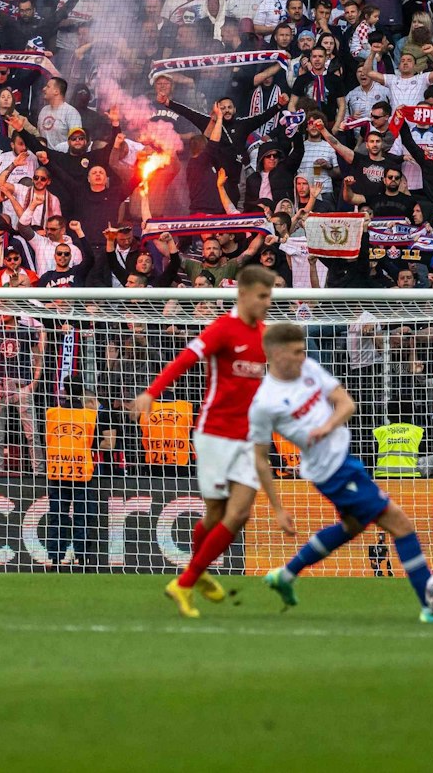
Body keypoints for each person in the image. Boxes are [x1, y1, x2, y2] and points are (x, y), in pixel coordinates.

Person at [249, 322, 433, 621]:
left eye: (304, 351)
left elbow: (346, 404)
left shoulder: (310, 370)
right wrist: (277, 508)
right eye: (297, 352)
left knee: (352, 526)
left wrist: (327, 426)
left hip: (346, 459)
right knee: (401, 525)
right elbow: (260, 459)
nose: (304, 356)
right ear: (276, 354)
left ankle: (286, 575)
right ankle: (431, 606)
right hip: (330, 471)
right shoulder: (264, 403)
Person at [132, 264, 277, 618]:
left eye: (270, 296)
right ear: (243, 295)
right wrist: (152, 392)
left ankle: (186, 580)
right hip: (213, 434)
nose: (267, 302)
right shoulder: (223, 329)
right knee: (215, 514)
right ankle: (196, 576)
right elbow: (185, 359)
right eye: (262, 296)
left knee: (239, 512)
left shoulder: (266, 335)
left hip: (245, 438)